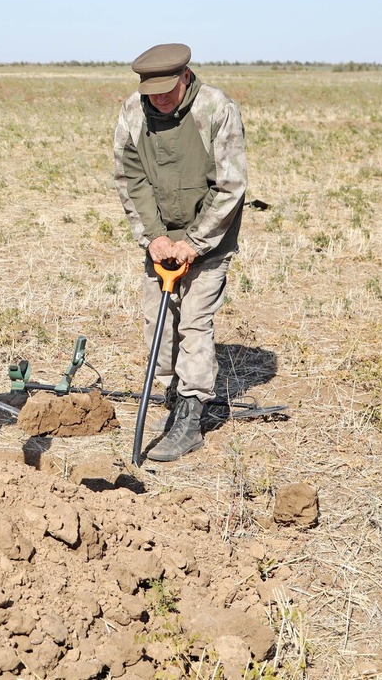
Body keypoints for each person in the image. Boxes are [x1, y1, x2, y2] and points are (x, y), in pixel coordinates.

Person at [112, 43, 248, 462]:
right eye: (152, 91)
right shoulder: (133, 113)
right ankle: (173, 391)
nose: (159, 100)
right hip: (161, 241)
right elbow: (129, 178)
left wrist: (194, 241)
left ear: (185, 76)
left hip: (209, 238)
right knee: (160, 323)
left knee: (193, 324)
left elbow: (229, 187)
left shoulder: (216, 110)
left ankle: (190, 415)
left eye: (167, 91)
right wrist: (154, 236)